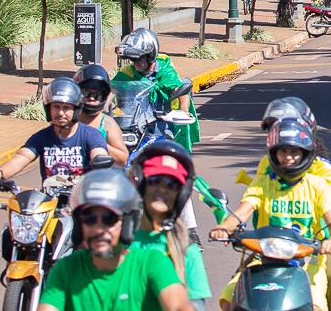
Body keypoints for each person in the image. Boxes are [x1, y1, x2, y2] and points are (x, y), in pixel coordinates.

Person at [210, 117, 331, 311]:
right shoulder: (262, 184)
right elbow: (241, 213)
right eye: (283, 151)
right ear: (274, 153)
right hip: (263, 258)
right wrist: (223, 228)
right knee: (228, 300)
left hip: (307, 259)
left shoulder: (317, 185)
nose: (288, 157)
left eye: (294, 152)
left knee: (315, 306)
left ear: (305, 154)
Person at [38, 168, 192, 311]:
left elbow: (178, 306)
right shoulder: (66, 269)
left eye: (109, 218)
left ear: (127, 223)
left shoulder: (150, 263)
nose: (98, 229)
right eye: (89, 218)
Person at [253, 97, 331, 311]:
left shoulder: (322, 170)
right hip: (273, 245)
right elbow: (253, 208)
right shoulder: (265, 166)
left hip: (313, 246)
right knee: (239, 284)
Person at [113, 27, 201, 241]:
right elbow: (113, 92)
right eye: (133, 60)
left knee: (175, 174)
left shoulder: (165, 71)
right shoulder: (127, 74)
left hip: (160, 133)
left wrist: (181, 110)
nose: (136, 64)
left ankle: (190, 230)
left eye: (140, 59)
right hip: (133, 131)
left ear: (150, 55)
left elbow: (182, 92)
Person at [0, 77, 108, 192]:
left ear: (76, 110)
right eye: (56, 107)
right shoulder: (41, 137)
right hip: (50, 202)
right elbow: (22, 157)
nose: (60, 112)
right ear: (49, 109)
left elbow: (99, 154)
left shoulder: (90, 135)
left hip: (82, 201)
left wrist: (100, 162)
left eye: (66, 108)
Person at [128, 141, 211, 311]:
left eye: (172, 185)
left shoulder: (186, 250)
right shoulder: (119, 240)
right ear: (141, 183)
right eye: (155, 181)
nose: (163, 189)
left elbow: (196, 305)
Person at [74, 64, 129, 167]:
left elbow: (123, 159)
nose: (91, 98)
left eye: (97, 95)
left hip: (98, 179)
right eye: (86, 93)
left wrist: (97, 144)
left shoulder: (107, 123)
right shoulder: (69, 119)